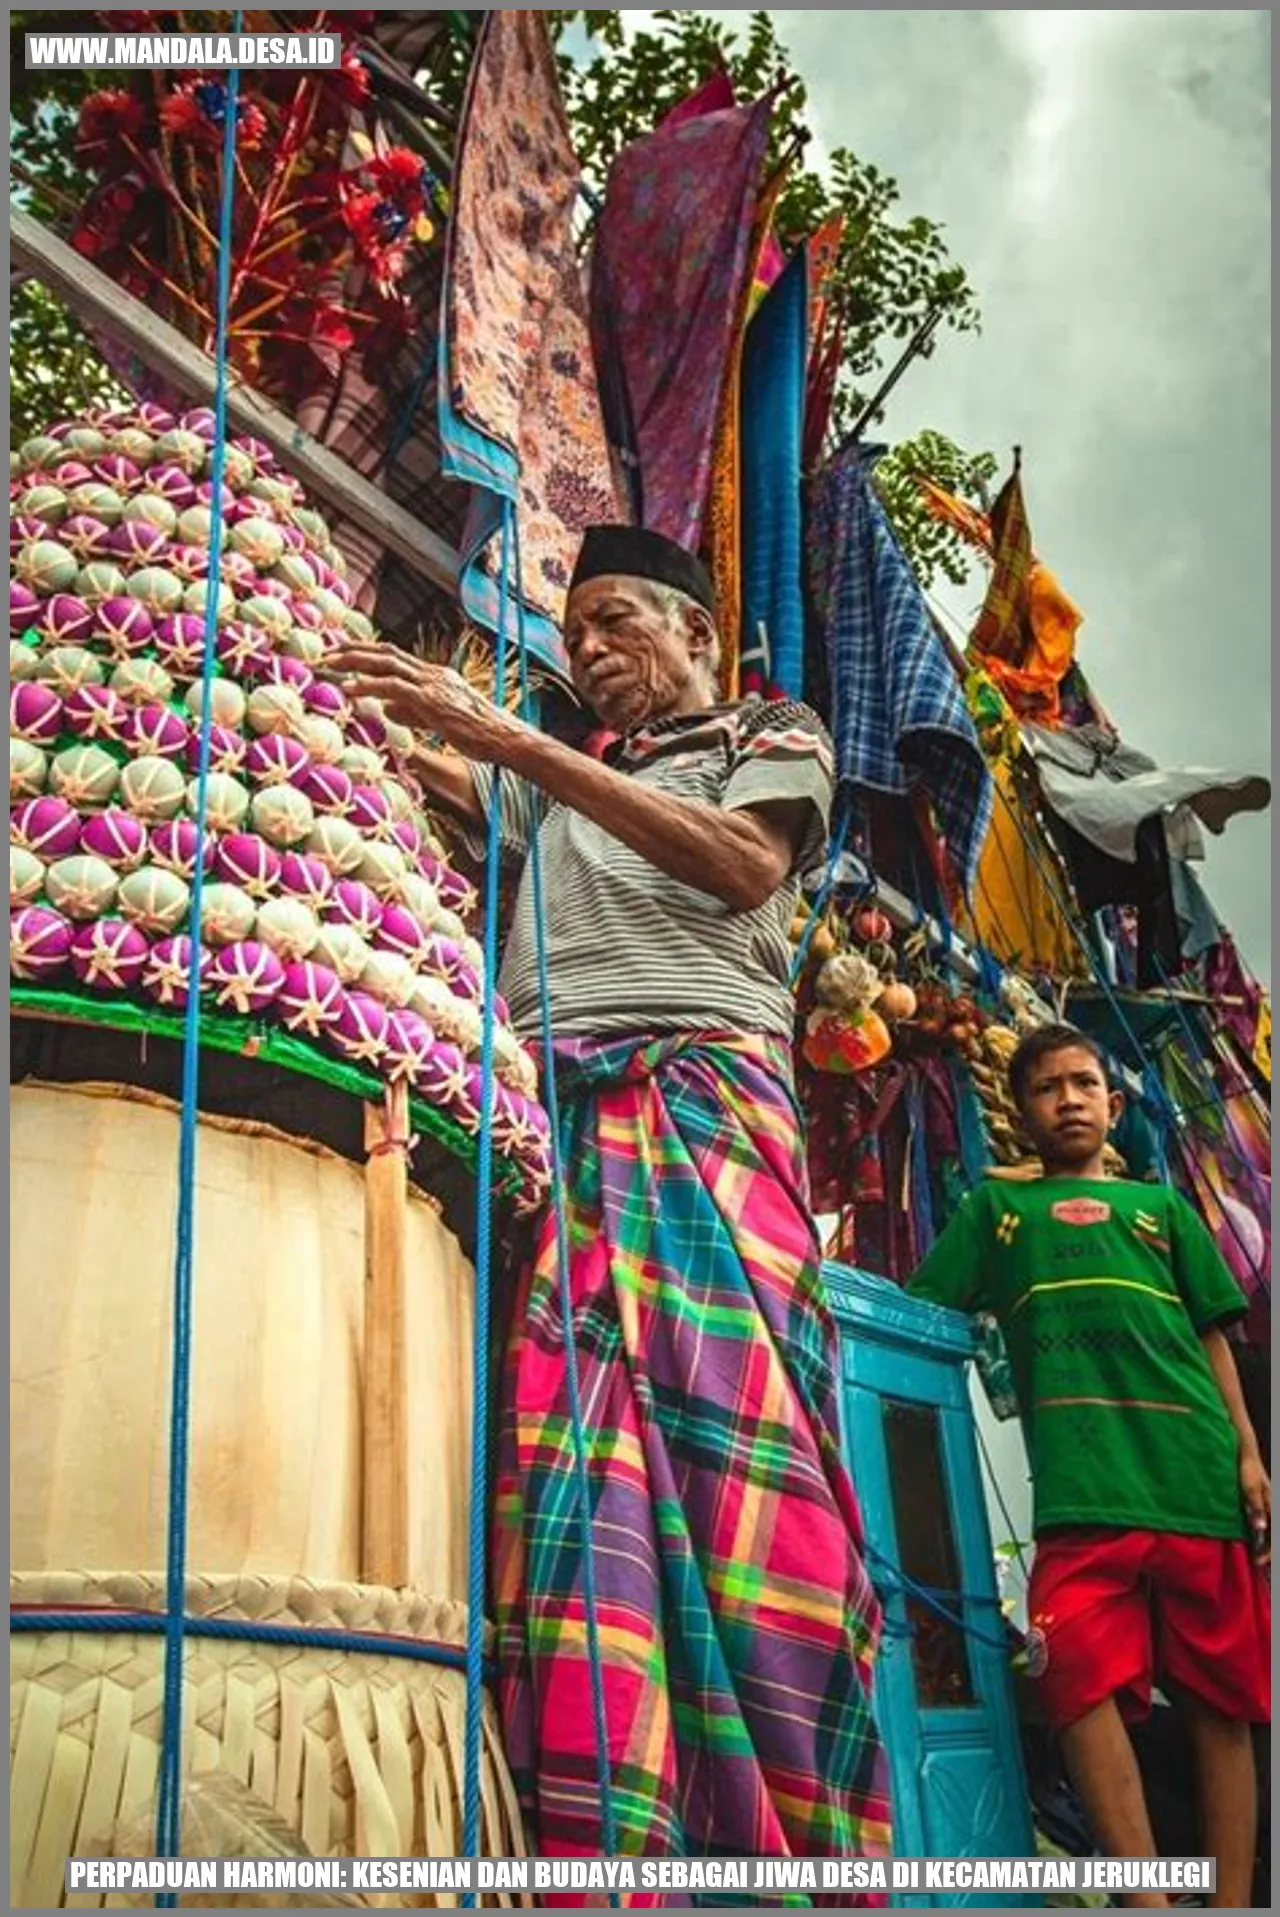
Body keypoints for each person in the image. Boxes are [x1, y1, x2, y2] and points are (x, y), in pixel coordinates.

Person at [330, 525, 890, 1889]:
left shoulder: (772, 728)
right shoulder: (569, 781)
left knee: (745, 1465)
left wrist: (511, 744)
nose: (585, 651)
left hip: (700, 1107)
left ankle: (794, 1849)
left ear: (701, 634)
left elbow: (743, 867)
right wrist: (349, 689)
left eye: (616, 620)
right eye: (572, 632)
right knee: (576, 1480)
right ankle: (613, 1841)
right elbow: (449, 776)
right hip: (556, 1126)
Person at [907, 1022, 1270, 1910]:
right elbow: (915, 1313)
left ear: (1113, 1104)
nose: (1069, 1098)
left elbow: (1214, 1339)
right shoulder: (994, 1214)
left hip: (1195, 1476)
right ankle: (1146, 1899)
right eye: (1047, 1087)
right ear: (1020, 1113)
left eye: (1084, 1083)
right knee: (1068, 1680)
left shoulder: (1165, 1208)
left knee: (1222, 1705)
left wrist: (1251, 1457)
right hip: (1078, 1493)